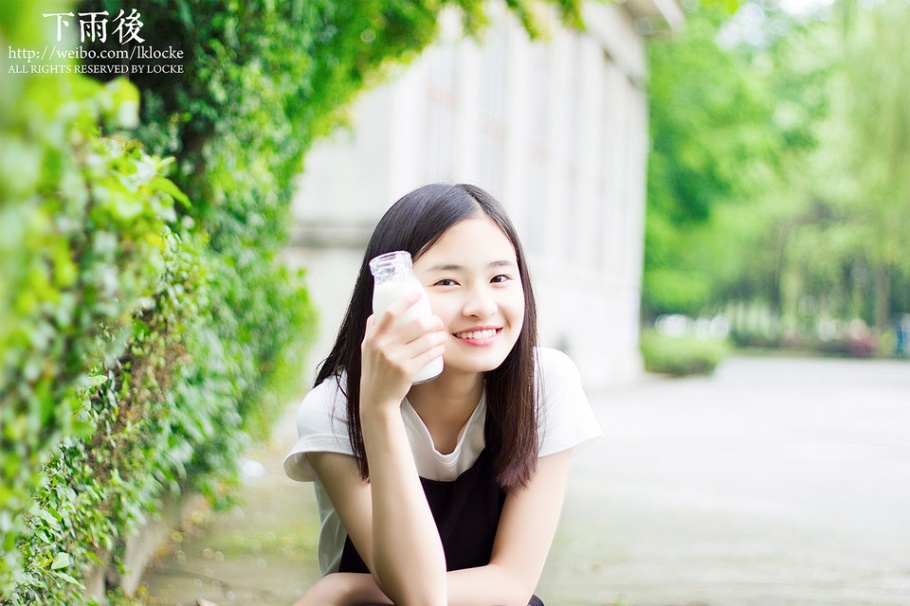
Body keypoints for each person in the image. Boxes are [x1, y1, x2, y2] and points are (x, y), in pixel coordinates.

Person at [284, 183, 602, 605]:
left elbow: (510, 584)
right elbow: (415, 594)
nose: (481, 305)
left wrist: (345, 589)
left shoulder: (544, 386)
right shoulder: (335, 408)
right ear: (388, 296)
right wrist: (379, 408)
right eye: (448, 281)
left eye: (500, 277)